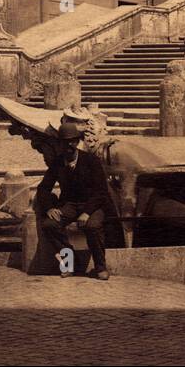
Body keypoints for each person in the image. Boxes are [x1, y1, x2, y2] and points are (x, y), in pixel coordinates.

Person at [35, 120, 114, 280]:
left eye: (72, 141)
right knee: (50, 225)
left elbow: (101, 192)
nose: (69, 145)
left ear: (77, 142)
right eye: (65, 142)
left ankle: (100, 267)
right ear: (60, 144)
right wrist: (50, 208)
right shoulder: (57, 163)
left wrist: (86, 212)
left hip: (93, 204)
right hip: (69, 205)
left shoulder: (91, 161)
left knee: (92, 226)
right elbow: (43, 188)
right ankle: (69, 261)